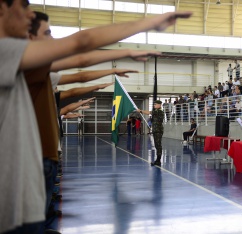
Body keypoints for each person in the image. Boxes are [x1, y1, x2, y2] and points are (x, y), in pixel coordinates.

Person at [0, 3, 191, 233]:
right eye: (22, 6)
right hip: (15, 188)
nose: (29, 13)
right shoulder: (6, 53)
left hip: (24, 181)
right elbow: (81, 44)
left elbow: (80, 65)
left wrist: (121, 57)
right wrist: (148, 23)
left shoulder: (25, 66)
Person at [137, 100, 164, 166]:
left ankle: (158, 160)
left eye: (155, 104)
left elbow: (149, 112)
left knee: (158, 145)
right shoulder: (156, 112)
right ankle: (158, 160)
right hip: (155, 130)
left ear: (159, 105)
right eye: (154, 104)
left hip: (158, 130)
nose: (154, 105)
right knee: (157, 145)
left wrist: (141, 111)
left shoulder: (159, 111)